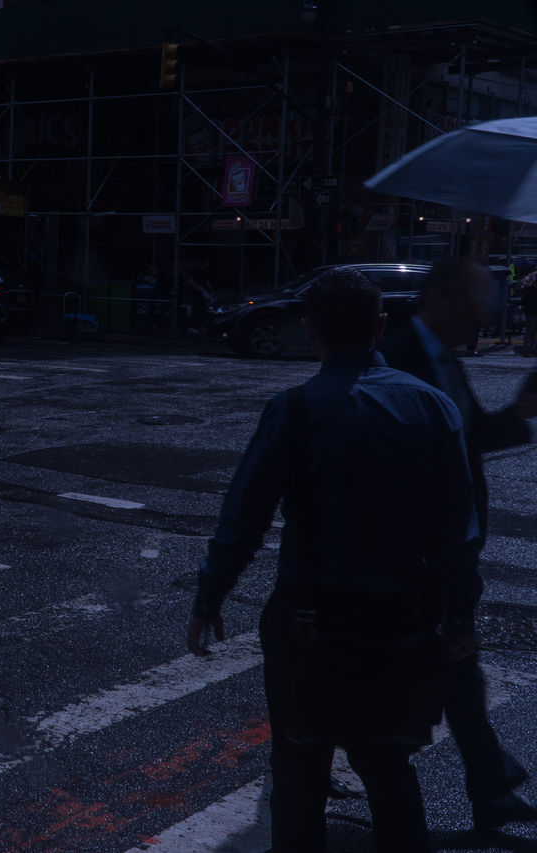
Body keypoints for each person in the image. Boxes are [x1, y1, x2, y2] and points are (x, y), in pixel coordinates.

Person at [186, 268, 482, 851]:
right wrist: (459, 621)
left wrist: (208, 598)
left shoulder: (294, 410)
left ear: (308, 330)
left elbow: (243, 519)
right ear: (378, 327)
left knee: (299, 770)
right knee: (387, 766)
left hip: (309, 623)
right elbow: (459, 533)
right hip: (401, 619)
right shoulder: (433, 406)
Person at [379, 255, 537, 831]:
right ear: (440, 299)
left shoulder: (447, 360)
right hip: (415, 556)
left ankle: (490, 790)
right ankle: (328, 763)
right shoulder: (397, 360)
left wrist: (518, 411)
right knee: (423, 673)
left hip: (455, 551)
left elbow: (466, 442)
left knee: (459, 668)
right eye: (477, 306)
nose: (486, 319)